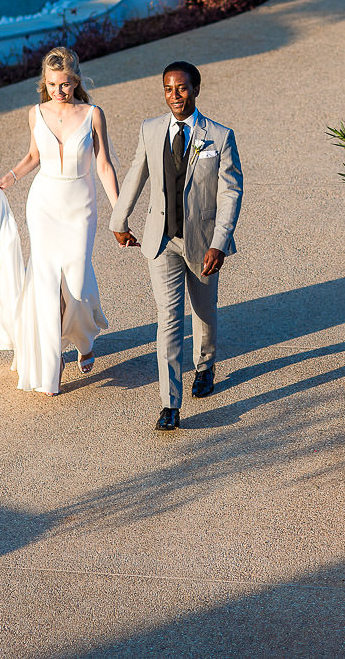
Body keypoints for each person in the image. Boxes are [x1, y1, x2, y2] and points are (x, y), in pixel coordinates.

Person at [110, 60, 243, 431]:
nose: (175, 96)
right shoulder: (150, 130)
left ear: (196, 90)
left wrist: (220, 241)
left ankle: (205, 365)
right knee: (168, 318)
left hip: (202, 242)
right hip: (161, 241)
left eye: (182, 88)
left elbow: (231, 192)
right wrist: (119, 221)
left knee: (203, 311)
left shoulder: (219, 136)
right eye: (168, 89)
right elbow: (137, 174)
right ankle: (170, 404)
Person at [0, 47, 120, 395]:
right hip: (43, 204)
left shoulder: (93, 114)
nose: (57, 92)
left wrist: (120, 212)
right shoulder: (36, 113)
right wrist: (7, 179)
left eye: (64, 85)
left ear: (75, 82)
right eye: (51, 85)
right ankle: (52, 358)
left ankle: (84, 338)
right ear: (43, 83)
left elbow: (104, 166)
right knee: (46, 284)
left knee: (76, 281)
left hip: (81, 205)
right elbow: (33, 155)